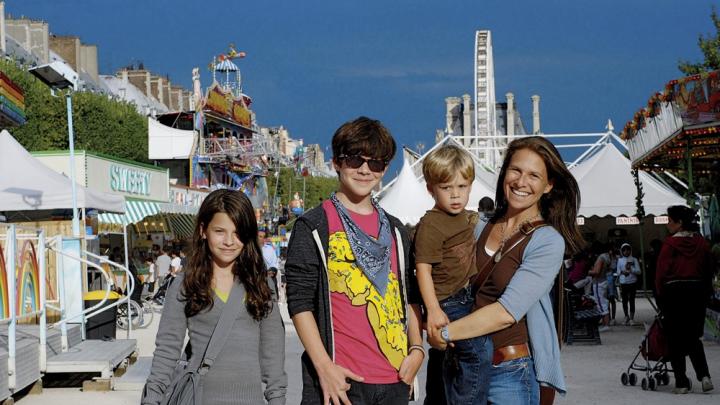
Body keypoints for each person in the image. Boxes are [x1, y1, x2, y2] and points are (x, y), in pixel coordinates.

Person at [429, 136, 583, 404]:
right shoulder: (477, 226)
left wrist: (443, 333)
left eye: (534, 175)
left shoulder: (547, 241)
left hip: (508, 373)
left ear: (548, 185)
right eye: (516, 170)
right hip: (461, 366)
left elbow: (505, 312)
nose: (521, 182)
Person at [285, 117, 424, 405]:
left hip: (395, 380)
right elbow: (300, 302)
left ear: (385, 169)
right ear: (337, 162)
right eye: (354, 160)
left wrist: (417, 350)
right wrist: (324, 368)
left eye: (375, 163)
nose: (364, 170)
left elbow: (408, 295)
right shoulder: (313, 226)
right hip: (340, 383)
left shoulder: (397, 230)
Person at [142, 189, 287, 405]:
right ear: (203, 230)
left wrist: (277, 399)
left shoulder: (261, 286)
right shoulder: (184, 285)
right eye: (220, 231)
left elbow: (273, 352)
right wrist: (151, 399)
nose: (229, 241)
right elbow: (167, 351)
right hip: (198, 398)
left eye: (238, 233)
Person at [414, 144, 490, 404]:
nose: (455, 195)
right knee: (478, 353)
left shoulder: (467, 217)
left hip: (465, 296)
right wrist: (433, 310)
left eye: (462, 187)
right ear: (431, 189)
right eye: (446, 189)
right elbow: (422, 270)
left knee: (449, 360)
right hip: (448, 301)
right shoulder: (432, 224)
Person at [656, 205, 715, 394]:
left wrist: (660, 298)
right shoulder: (702, 244)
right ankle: (704, 376)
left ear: (679, 223)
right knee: (692, 337)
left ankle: (681, 382)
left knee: (675, 339)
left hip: (674, 293)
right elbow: (709, 270)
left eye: (670, 221)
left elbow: (661, 274)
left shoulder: (669, 245)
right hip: (697, 292)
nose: (667, 225)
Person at [588, 243, 614, 331]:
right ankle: (605, 323)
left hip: (598, 282)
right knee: (604, 302)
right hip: (604, 281)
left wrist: (587, 272)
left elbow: (597, 272)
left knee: (601, 303)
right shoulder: (607, 257)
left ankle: (606, 324)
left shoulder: (601, 258)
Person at [615, 243, 640, 326]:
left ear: (630, 250)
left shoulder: (634, 259)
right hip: (623, 282)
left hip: (632, 282)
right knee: (624, 301)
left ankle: (632, 318)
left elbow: (639, 271)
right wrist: (622, 272)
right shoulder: (620, 260)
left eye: (628, 249)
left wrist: (631, 269)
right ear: (622, 251)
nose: (626, 252)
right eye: (624, 250)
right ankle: (626, 316)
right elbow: (617, 272)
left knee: (632, 300)